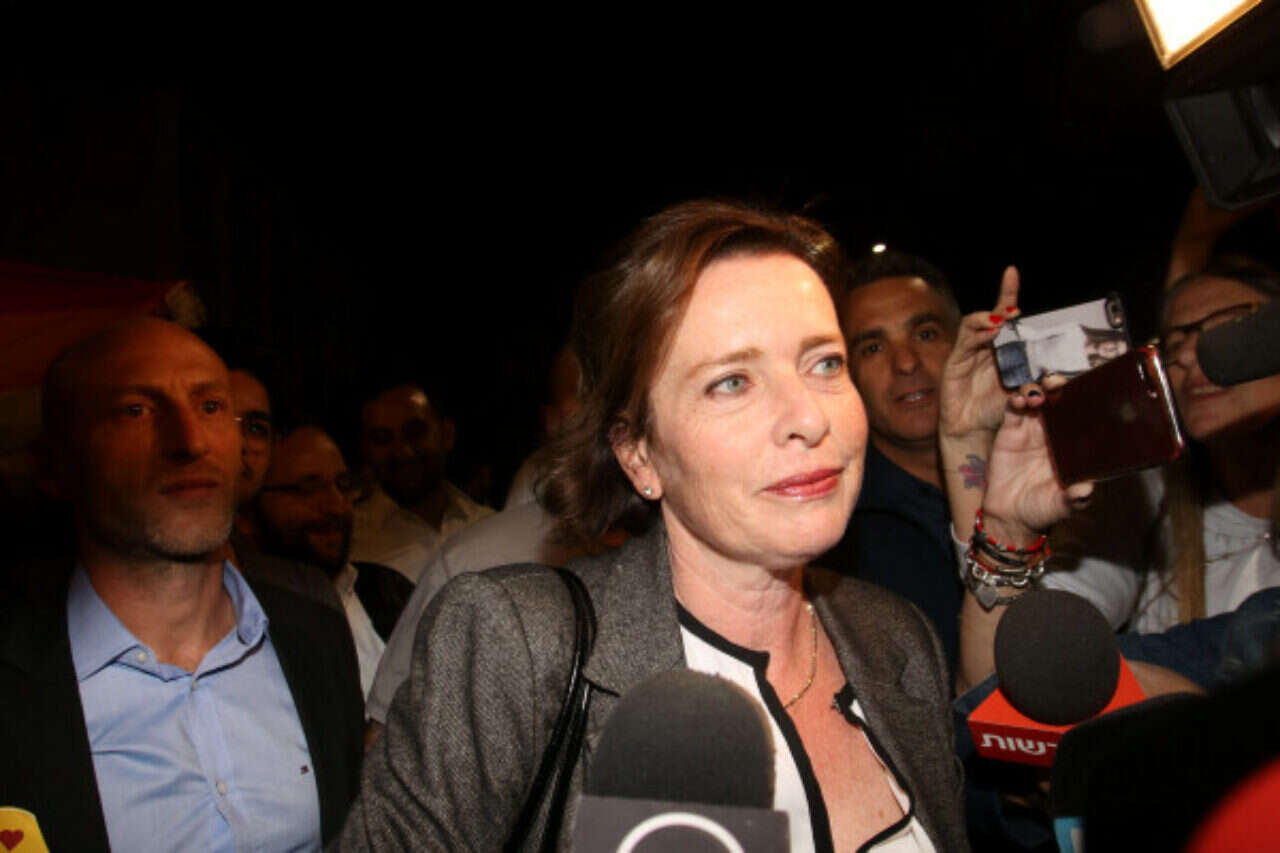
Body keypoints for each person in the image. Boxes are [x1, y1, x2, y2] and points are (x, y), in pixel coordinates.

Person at [335, 200, 1090, 851]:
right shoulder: (515, 644)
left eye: (824, 364)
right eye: (732, 381)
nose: (807, 417)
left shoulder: (896, 639)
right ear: (638, 454)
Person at [0, 318, 363, 852]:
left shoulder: (315, 633)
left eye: (211, 406)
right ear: (56, 465)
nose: (191, 441)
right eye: (136, 410)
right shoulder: (16, 678)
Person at [942, 259, 1280, 692]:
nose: (1189, 356)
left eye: (1225, 329)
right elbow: (1004, 678)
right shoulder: (1142, 499)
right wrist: (968, 442)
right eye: (1175, 343)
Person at [818, 249, 964, 676]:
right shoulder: (837, 536)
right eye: (873, 347)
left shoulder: (1036, 476)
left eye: (926, 334)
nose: (906, 362)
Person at [253, 424, 414, 698]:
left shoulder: (387, 591)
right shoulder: (243, 622)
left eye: (343, 485)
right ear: (251, 508)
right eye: (309, 489)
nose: (336, 505)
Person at [349, 383, 494, 582]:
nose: (403, 452)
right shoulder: (353, 543)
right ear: (366, 450)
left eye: (415, 433)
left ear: (447, 435)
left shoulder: (487, 524)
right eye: (383, 439)